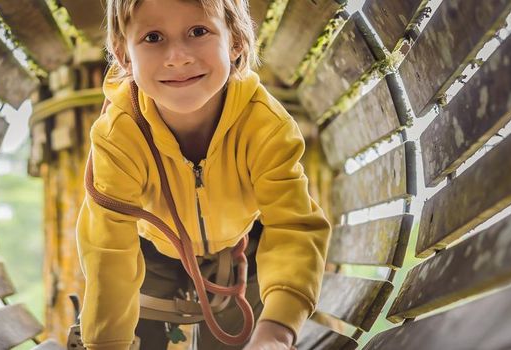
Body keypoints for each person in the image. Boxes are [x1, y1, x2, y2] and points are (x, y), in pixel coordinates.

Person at [75, 0, 331, 347]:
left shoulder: (265, 126)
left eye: (198, 31)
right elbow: (108, 251)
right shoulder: (119, 135)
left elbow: (292, 226)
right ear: (123, 55)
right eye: (153, 37)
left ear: (236, 40)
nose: (177, 56)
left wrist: (277, 331)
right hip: (152, 256)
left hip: (240, 254)